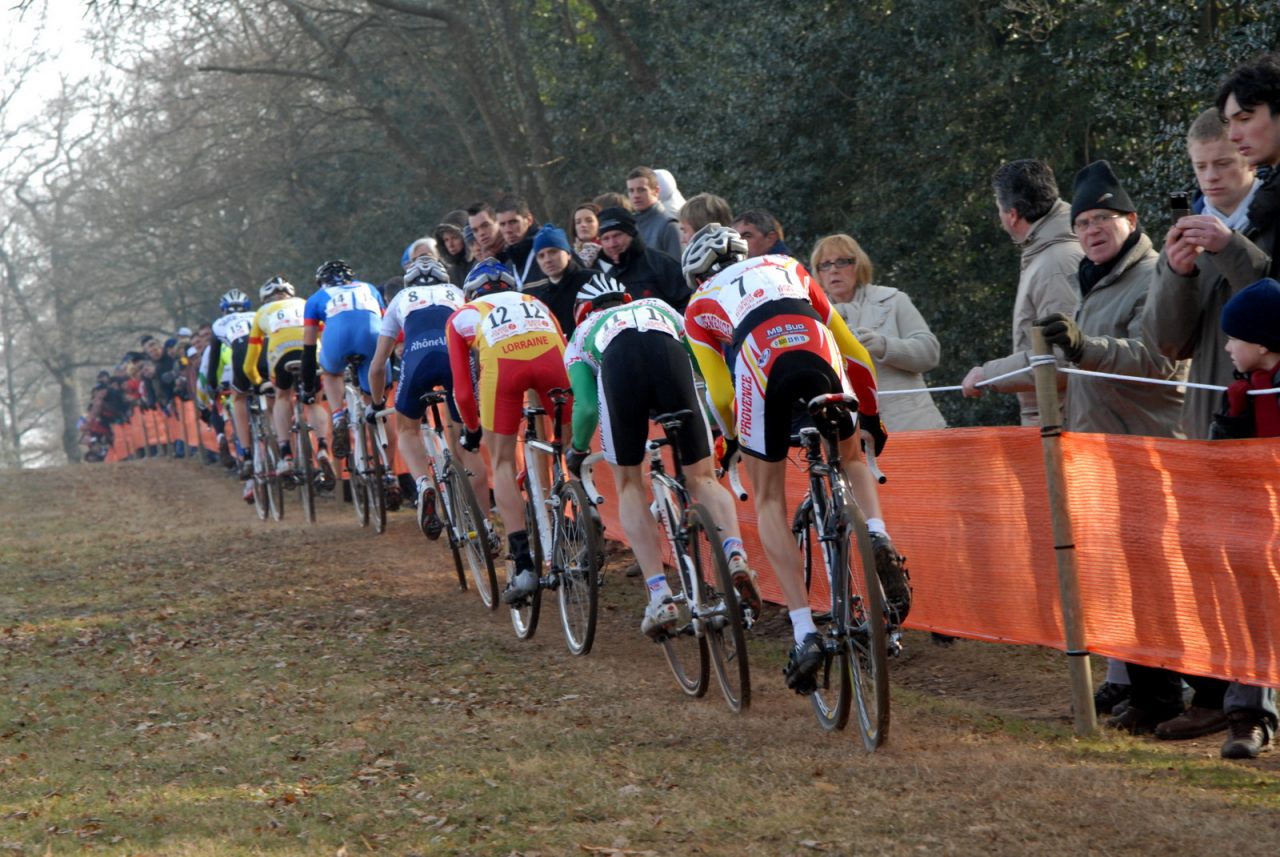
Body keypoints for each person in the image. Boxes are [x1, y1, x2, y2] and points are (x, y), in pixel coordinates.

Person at [680, 224, 910, 694]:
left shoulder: (699, 304)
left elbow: (721, 394)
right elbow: (856, 352)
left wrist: (731, 442)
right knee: (851, 460)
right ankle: (877, 534)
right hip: (815, 345)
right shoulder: (790, 266)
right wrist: (870, 419)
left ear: (698, 275)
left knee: (767, 500)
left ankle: (805, 630)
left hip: (760, 362)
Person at [1035, 160, 1189, 735]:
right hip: (1104, 452)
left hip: (1148, 449)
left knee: (1154, 576)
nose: (1093, 230)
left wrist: (1083, 347)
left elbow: (1157, 362)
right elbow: (1064, 357)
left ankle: (1168, 694)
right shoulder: (1095, 280)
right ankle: (1143, 688)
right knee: (1124, 574)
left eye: (1104, 218)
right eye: (1083, 223)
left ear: (1131, 220)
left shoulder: (1152, 276)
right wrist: (985, 374)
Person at [563, 274, 761, 636]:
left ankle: (660, 596)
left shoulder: (579, 335)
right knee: (702, 477)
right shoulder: (660, 307)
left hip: (620, 365)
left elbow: (588, 407)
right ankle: (734, 553)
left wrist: (576, 451)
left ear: (583, 311)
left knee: (630, 486)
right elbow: (703, 365)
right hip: (670, 356)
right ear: (624, 298)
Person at [446, 258, 570, 605]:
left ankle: (524, 563)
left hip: (504, 368)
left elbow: (463, 393)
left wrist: (471, 430)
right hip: (553, 361)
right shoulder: (535, 302)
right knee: (569, 446)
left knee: (501, 462)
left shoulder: (461, 316)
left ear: (472, 293)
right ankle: (583, 509)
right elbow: (566, 347)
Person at [1199, 277, 1280, 760]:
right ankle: (1248, 717)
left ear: (1264, 342)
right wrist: (1228, 426)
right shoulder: (1242, 392)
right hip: (1253, 529)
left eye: (1234, 338)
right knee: (1250, 616)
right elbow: (1220, 467)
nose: (1226, 347)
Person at [1150, 107, 1261, 438]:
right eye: (1200, 166)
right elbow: (1167, 346)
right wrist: (1177, 275)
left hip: (1267, 423)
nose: (1210, 176)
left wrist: (1229, 248)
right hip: (1206, 423)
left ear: (1249, 159)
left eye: (1222, 163)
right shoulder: (1183, 237)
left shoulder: (1271, 221)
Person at [368, 256, 488, 539]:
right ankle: (485, 527)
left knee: (407, 428)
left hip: (417, 359)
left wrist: (376, 404)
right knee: (467, 443)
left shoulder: (400, 298)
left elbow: (377, 367)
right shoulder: (459, 293)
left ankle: (423, 483)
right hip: (455, 360)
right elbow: (479, 346)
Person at [962, 160, 1083, 425]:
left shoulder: (1055, 263)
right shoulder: (1046, 253)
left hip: (1063, 422)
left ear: (1012, 214)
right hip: (1055, 418)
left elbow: (1065, 358)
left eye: (997, 206)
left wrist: (989, 374)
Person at [811, 233, 946, 431]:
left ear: (858, 266)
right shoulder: (811, 316)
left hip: (912, 427)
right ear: (818, 273)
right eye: (825, 264)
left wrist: (884, 346)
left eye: (842, 262)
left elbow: (930, 354)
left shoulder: (894, 300)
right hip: (848, 434)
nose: (833, 270)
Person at [244, 276, 335, 486]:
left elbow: (250, 361)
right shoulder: (305, 303)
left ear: (265, 298)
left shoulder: (261, 313)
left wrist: (257, 381)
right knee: (314, 400)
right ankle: (322, 448)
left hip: (280, 355)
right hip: (310, 351)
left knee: (282, 396)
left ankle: (286, 454)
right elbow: (324, 335)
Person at [301, 260, 387, 462]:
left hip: (338, 340)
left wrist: (308, 386)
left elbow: (309, 348)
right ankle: (388, 471)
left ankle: (338, 415)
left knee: (331, 372)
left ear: (322, 282)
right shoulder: (370, 288)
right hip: (373, 338)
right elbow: (386, 328)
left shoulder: (316, 299)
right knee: (377, 404)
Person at [208, 289, 259, 486]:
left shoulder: (219, 324)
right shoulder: (258, 315)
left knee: (239, 399)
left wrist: (213, 388)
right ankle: (284, 443)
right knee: (278, 395)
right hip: (264, 360)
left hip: (238, 367)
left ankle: (246, 455)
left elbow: (211, 364)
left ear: (223, 310)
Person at [596, 206, 691, 312]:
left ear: (631, 234)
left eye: (617, 235)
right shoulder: (606, 279)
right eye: (606, 238)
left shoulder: (660, 264)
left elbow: (688, 304)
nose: (612, 244)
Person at [523, 223, 597, 337]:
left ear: (568, 254)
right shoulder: (543, 299)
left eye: (553, 252)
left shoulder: (592, 281)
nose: (547, 260)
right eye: (541, 256)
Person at [626, 166, 683, 260]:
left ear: (656, 191)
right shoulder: (630, 225)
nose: (635, 195)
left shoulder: (669, 226)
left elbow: (677, 267)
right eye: (631, 191)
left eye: (641, 190)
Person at [495, 194, 547, 290]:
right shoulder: (509, 264)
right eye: (502, 224)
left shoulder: (550, 249)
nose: (508, 230)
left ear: (529, 220)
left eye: (513, 222)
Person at [434, 209, 470, 287]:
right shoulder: (449, 274)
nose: (450, 245)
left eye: (454, 238)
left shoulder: (480, 263)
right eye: (446, 240)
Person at [570, 201, 603, 269]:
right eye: (578, 222)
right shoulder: (569, 256)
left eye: (589, 221)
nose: (583, 225)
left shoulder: (609, 251)